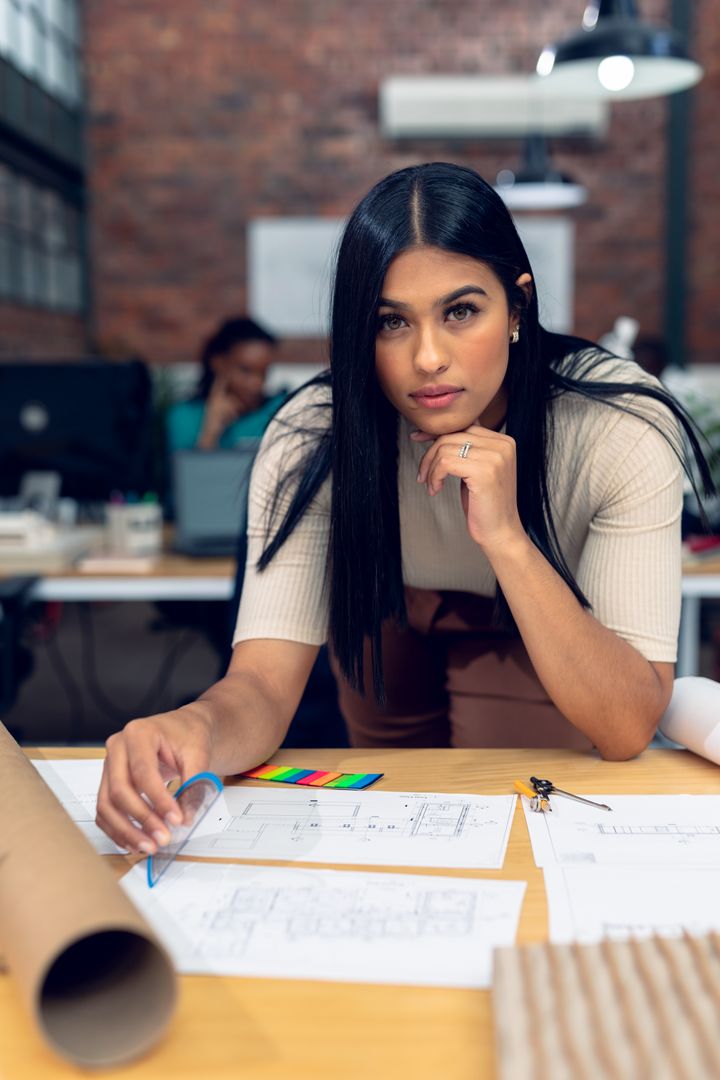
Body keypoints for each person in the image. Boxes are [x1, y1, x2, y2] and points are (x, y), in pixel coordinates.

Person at [97, 162, 712, 855]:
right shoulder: (311, 435)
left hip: (541, 624)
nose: (427, 358)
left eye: (460, 311)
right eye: (392, 322)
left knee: (513, 824)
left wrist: (508, 538)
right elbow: (263, 686)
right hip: (386, 619)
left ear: (517, 307)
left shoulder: (616, 426)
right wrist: (195, 726)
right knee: (402, 824)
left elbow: (628, 725)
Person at [166, 316, 287, 451]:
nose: (257, 384)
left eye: (264, 373)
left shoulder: (280, 412)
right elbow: (189, 472)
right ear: (218, 363)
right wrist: (210, 432)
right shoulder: (185, 417)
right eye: (246, 371)